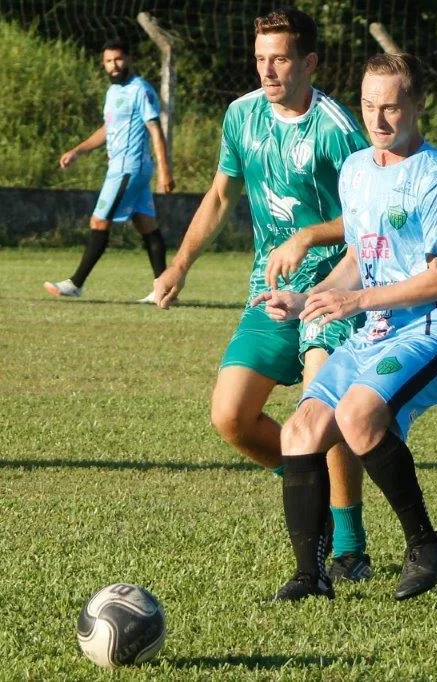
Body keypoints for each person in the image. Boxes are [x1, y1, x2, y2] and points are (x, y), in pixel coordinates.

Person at [153, 7, 374, 581]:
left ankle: (348, 545)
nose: (268, 70)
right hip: (269, 292)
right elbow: (221, 196)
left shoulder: (337, 128)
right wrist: (180, 264)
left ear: (309, 62)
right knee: (230, 417)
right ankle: (308, 485)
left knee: (320, 410)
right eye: (260, 59)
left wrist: (307, 236)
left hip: (332, 289)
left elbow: (368, 217)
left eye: (280, 59)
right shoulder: (242, 116)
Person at [256, 53, 437, 602]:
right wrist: (306, 299)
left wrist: (357, 301)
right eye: (368, 105)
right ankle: (311, 576)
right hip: (371, 332)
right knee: (300, 431)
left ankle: (425, 545)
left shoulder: (436, 175)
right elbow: (359, 256)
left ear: (418, 105)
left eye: (391, 107)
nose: (377, 120)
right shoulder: (355, 170)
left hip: (429, 332)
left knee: (357, 416)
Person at [44, 39, 175, 302]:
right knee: (146, 224)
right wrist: (77, 150)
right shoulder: (113, 92)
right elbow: (108, 129)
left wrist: (165, 171)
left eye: (118, 59)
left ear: (128, 59)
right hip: (124, 167)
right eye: (108, 61)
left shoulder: (140, 89)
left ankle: (75, 284)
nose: (113, 65)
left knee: (99, 221)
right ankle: (166, 290)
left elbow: (155, 130)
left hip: (128, 167)